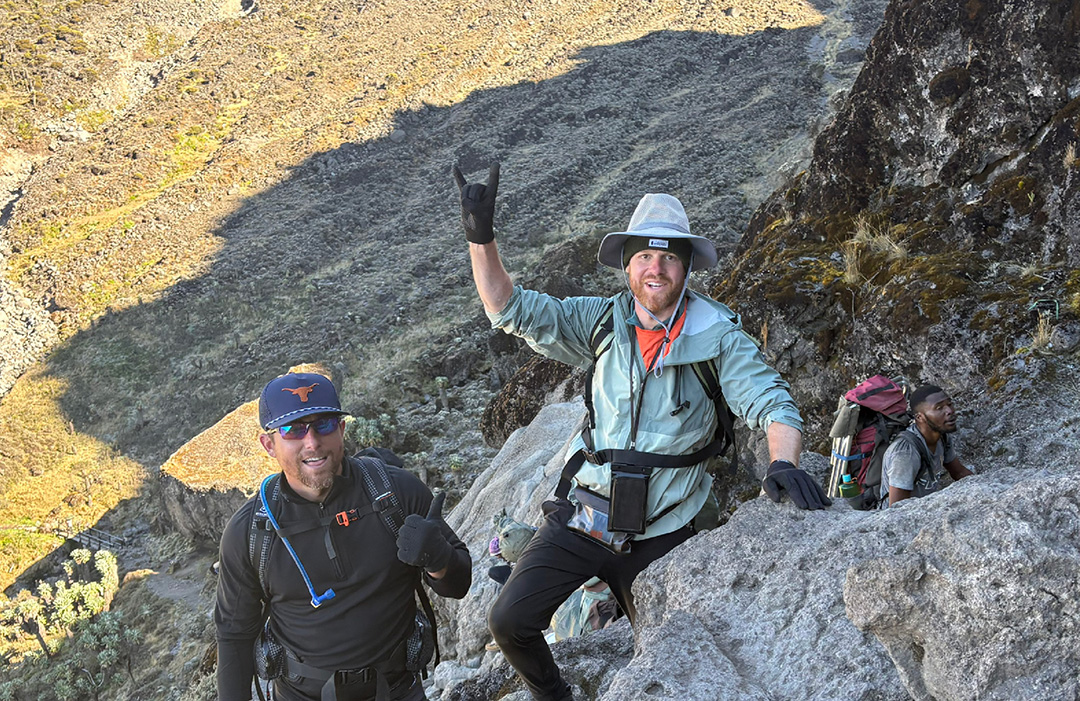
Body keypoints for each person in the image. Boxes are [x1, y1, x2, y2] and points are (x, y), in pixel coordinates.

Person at [452, 164, 830, 701]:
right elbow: (507, 308)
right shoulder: (601, 322)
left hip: (667, 526)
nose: (656, 268)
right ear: (628, 265)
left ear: (686, 267)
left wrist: (783, 463)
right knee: (509, 620)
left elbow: (773, 403)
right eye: (645, 257)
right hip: (590, 512)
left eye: (669, 256)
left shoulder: (717, 336)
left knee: (665, 654)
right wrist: (480, 237)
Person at [214, 372, 472, 701]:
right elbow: (234, 634)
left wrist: (438, 559)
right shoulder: (249, 532)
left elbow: (459, 583)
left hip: (397, 690)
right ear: (269, 444)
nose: (312, 442)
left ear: (342, 429)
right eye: (293, 429)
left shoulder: (395, 492)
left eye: (323, 424)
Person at [880, 384, 974, 507]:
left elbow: (959, 473)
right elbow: (897, 509)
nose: (949, 411)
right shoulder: (905, 453)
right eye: (939, 408)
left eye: (949, 404)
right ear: (920, 417)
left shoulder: (942, 437)